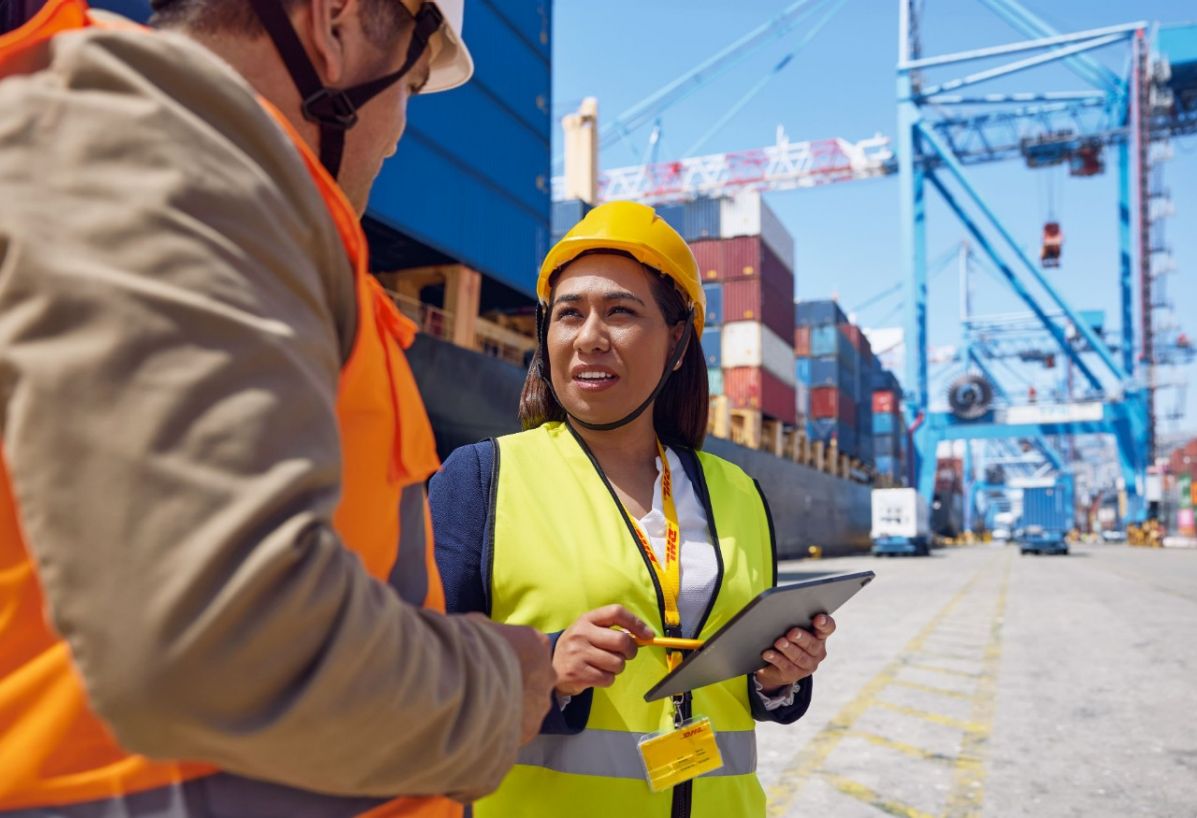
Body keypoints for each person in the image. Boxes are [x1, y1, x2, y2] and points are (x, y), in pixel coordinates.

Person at [0, 1, 555, 816]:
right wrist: (496, 687)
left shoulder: (200, 189)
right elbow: (214, 640)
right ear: (335, 24)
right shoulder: (163, 156)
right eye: (409, 83)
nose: (401, 131)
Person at [430, 201, 838, 817]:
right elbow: (413, 671)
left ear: (677, 341)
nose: (590, 337)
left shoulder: (741, 494)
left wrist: (779, 676)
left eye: (620, 312)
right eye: (569, 314)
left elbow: (745, 688)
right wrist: (545, 665)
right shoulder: (483, 479)